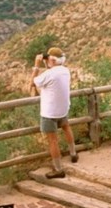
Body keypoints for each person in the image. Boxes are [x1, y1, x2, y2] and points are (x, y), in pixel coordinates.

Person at [31, 46, 77, 178]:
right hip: (63, 109)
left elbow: (33, 82)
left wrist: (36, 65)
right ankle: (73, 154)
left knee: (53, 141)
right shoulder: (65, 71)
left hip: (49, 112)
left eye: (47, 59)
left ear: (51, 60)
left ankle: (58, 169)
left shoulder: (48, 74)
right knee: (66, 127)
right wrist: (48, 64)